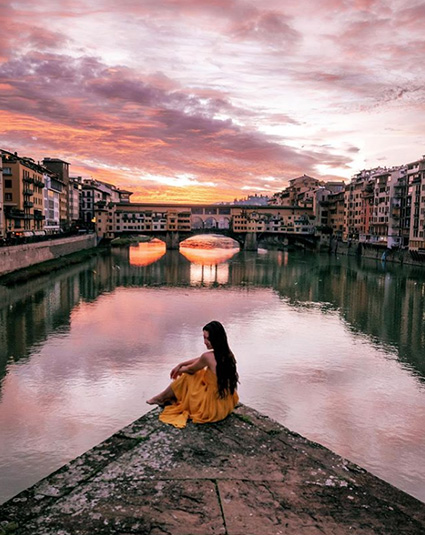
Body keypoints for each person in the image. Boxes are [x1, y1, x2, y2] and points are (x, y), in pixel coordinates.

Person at [147, 321, 239, 428]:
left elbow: (191, 369)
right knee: (200, 373)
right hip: (223, 407)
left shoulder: (208, 357)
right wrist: (181, 364)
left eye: (207, 338)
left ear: (216, 339)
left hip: (210, 409)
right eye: (204, 338)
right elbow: (201, 360)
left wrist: (180, 370)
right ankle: (165, 397)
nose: (205, 342)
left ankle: (161, 397)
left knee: (189, 375)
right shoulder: (228, 353)